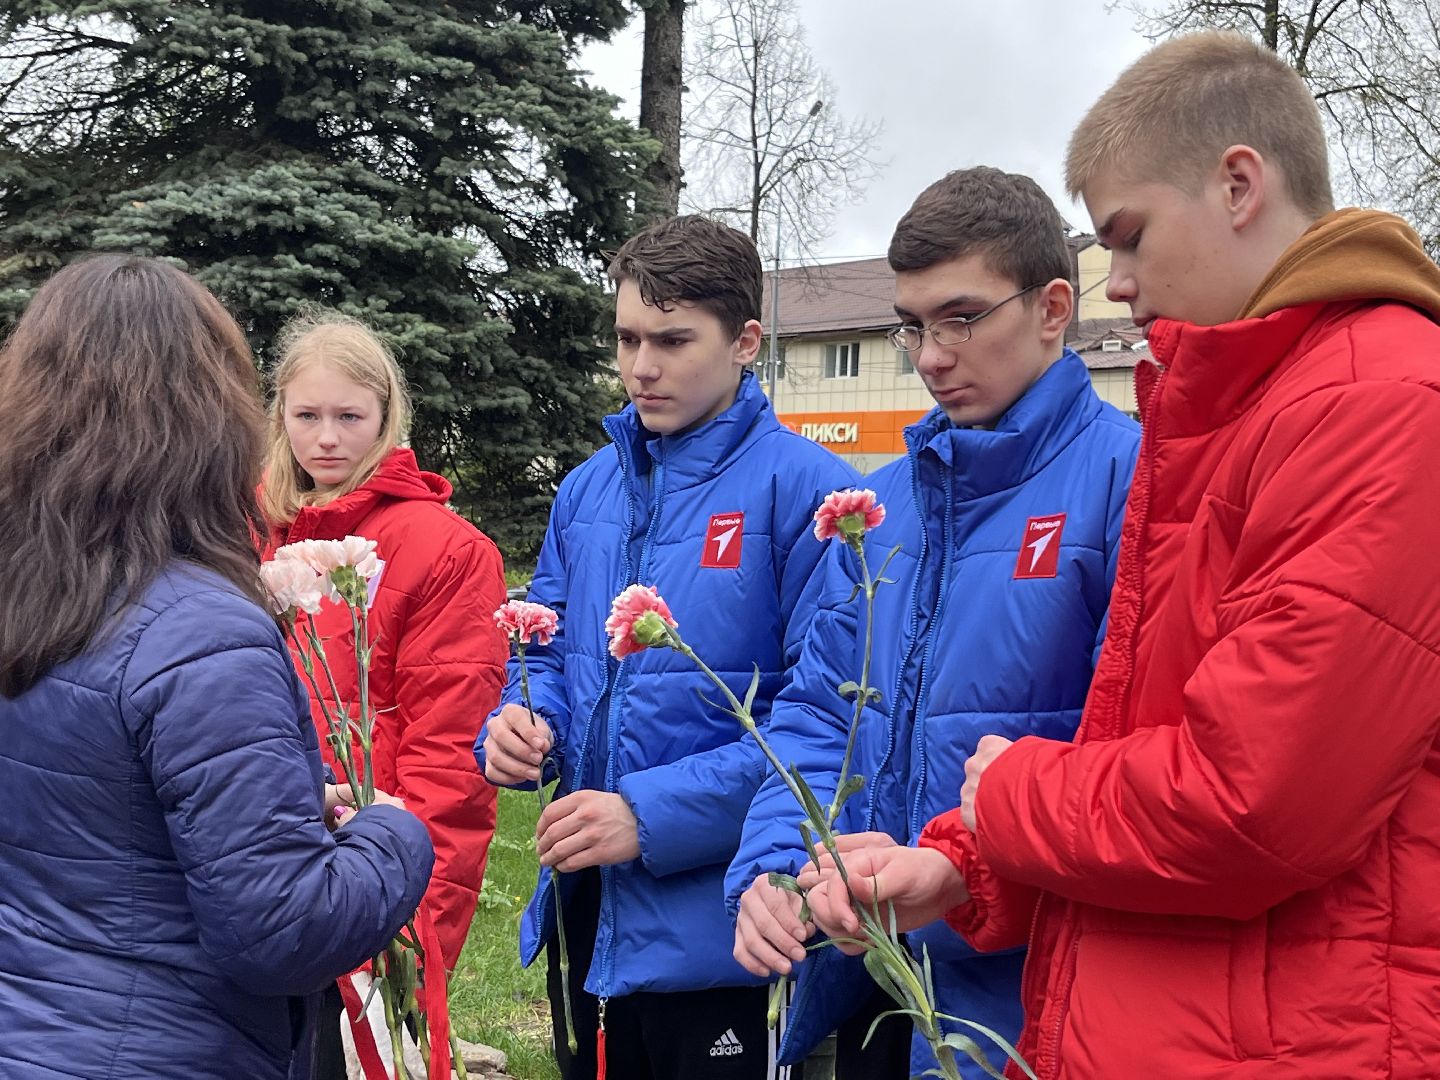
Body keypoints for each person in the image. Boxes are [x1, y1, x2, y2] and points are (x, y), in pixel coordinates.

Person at [799, 31, 1440, 1080]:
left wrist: (1002, 805)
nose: (1122, 283)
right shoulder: (1247, 411)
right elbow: (1141, 741)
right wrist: (966, 866)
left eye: (1130, 238)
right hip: (1196, 1015)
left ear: (1239, 183)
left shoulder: (1378, 406)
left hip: (1295, 1035)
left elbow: (1253, 800)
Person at [726, 167, 1139, 1078]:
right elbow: (818, 711)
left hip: (1027, 997)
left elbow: (1132, 753)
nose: (930, 355)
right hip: (857, 975)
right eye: (911, 326)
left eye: (960, 317)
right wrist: (771, 866)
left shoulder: (1133, 483)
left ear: (1053, 306)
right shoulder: (879, 507)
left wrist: (966, 873)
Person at [0, 255, 434, 1080]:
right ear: (212, 417)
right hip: (159, 1046)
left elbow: (88, 819)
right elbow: (282, 932)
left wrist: (277, 804)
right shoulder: (201, 633)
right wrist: (392, 832)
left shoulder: (26, 592)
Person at [476, 214, 859, 1080]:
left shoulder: (812, 491)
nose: (641, 367)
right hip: (588, 914)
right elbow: (543, 649)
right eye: (627, 338)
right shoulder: (585, 489)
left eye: (673, 340)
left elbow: (832, 723)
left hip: (730, 935)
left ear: (745, 341)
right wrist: (517, 722)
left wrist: (649, 817)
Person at [259, 310, 507, 1074]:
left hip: (365, 874)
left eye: (349, 416)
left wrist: (409, 919)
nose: (326, 437)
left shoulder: (446, 551)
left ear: (386, 416)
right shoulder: (245, 528)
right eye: (307, 415)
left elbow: (450, 758)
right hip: (251, 866)